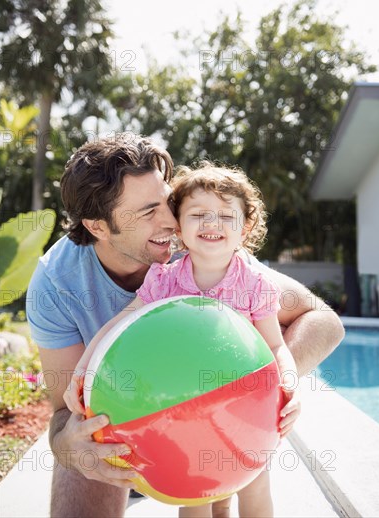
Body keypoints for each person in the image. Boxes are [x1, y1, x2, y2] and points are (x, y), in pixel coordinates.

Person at [26, 133, 344, 518]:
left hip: (209, 434)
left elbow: (324, 321)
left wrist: (246, 392)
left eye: (166, 202)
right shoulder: (58, 283)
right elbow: (64, 414)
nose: (170, 221)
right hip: (117, 427)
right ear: (98, 227)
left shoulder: (199, 247)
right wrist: (70, 450)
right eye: (147, 212)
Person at [64, 161, 301, 517]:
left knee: (255, 485)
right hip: (181, 407)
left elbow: (275, 346)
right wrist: (83, 370)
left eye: (225, 215)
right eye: (198, 214)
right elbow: (122, 323)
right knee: (196, 489)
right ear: (178, 224)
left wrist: (291, 390)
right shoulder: (165, 280)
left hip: (244, 409)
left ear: (246, 225)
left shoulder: (255, 284)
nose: (211, 224)